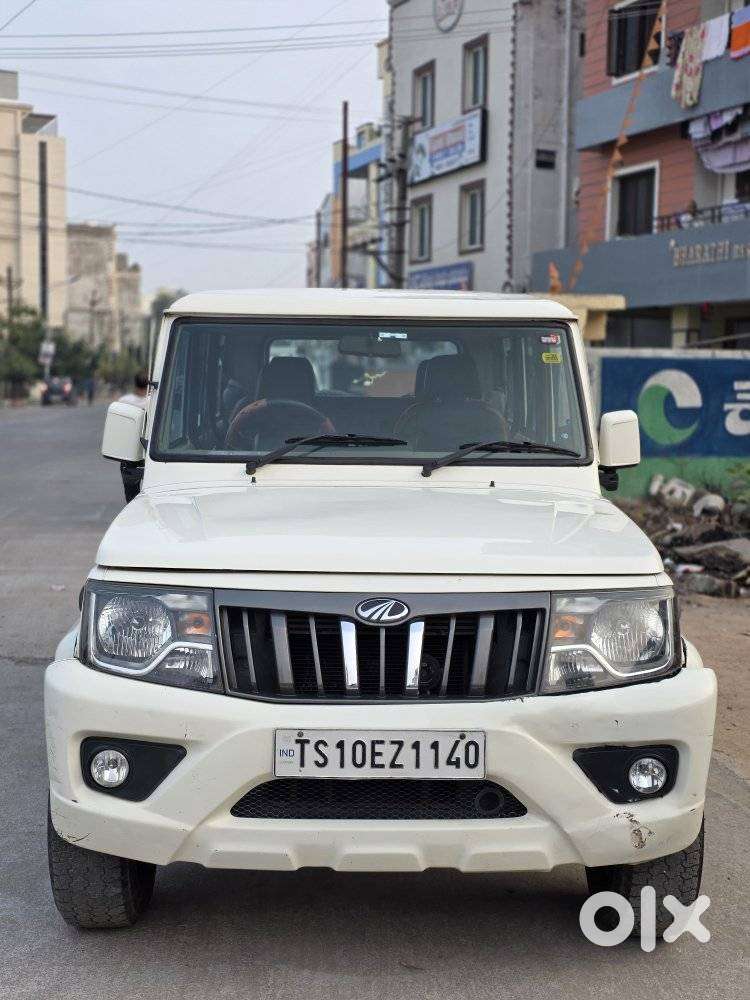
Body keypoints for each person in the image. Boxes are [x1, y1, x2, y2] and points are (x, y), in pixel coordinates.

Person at [117, 371, 149, 503]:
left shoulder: (123, 401)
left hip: (128, 453)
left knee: (131, 493)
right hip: (150, 453)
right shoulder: (154, 401)